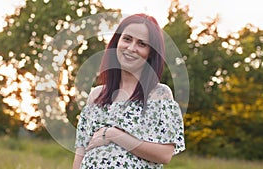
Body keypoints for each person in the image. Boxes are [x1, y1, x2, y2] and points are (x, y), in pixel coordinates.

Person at [73, 13, 185, 169]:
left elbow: (164, 155)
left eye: (142, 44)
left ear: (150, 52)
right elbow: (81, 153)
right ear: (117, 42)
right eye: (127, 39)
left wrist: (113, 134)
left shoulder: (158, 94)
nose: (131, 48)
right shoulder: (96, 95)